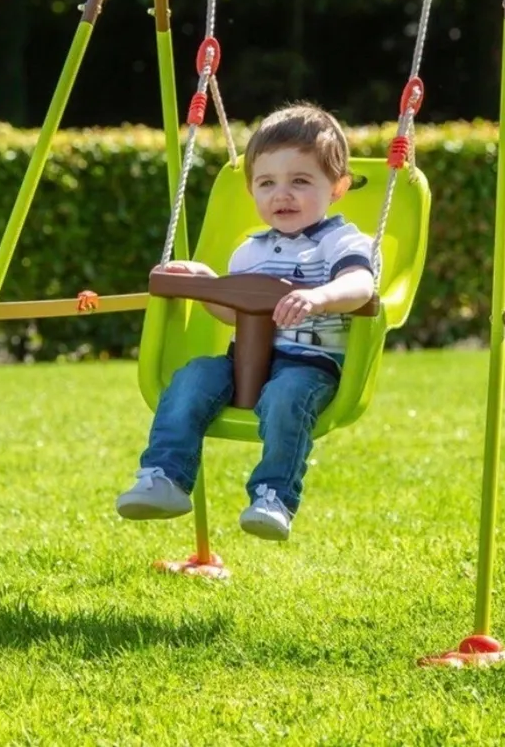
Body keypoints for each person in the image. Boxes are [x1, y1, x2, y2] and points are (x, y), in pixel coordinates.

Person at [116, 103, 376, 541]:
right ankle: (165, 477)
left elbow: (361, 284)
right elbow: (234, 312)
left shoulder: (342, 241)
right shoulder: (249, 250)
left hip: (309, 367)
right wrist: (207, 285)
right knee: (192, 377)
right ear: (251, 189)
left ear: (337, 187)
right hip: (245, 362)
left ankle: (273, 496)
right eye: (267, 183)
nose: (282, 195)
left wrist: (319, 296)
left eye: (300, 181)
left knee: (286, 397)